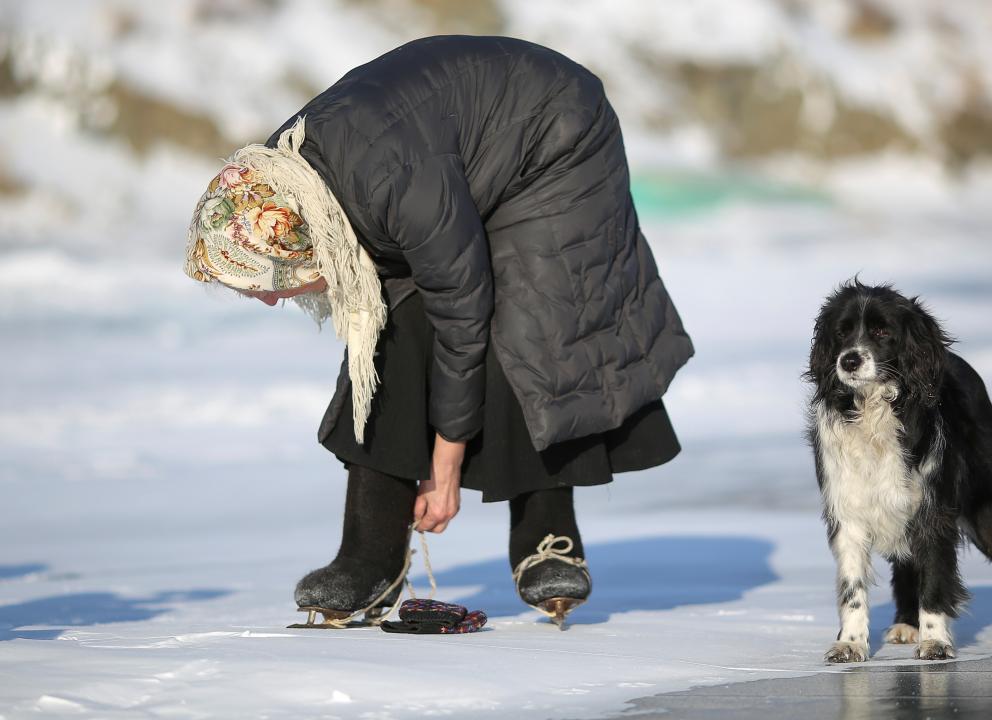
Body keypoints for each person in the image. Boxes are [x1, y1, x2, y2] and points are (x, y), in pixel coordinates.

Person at [183, 36, 693, 626]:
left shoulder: (393, 188)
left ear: (296, 246)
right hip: (447, 153)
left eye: (264, 284)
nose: (271, 299)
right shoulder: (277, 181)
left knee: (536, 319)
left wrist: (444, 466)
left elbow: (462, 316)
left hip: (557, 132)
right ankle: (370, 552)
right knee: (388, 326)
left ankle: (546, 532)